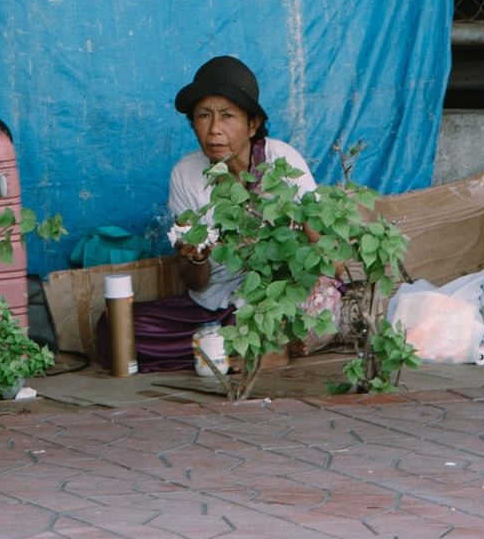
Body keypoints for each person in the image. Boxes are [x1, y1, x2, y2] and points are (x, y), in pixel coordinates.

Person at [107, 54, 323, 385]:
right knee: (114, 330)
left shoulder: (282, 162)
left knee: (303, 304)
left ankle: (265, 344)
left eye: (227, 116)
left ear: (252, 124)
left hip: (276, 295)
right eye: (203, 116)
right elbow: (195, 283)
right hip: (218, 306)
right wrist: (195, 258)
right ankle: (233, 345)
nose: (214, 130)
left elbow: (324, 255)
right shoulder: (185, 174)